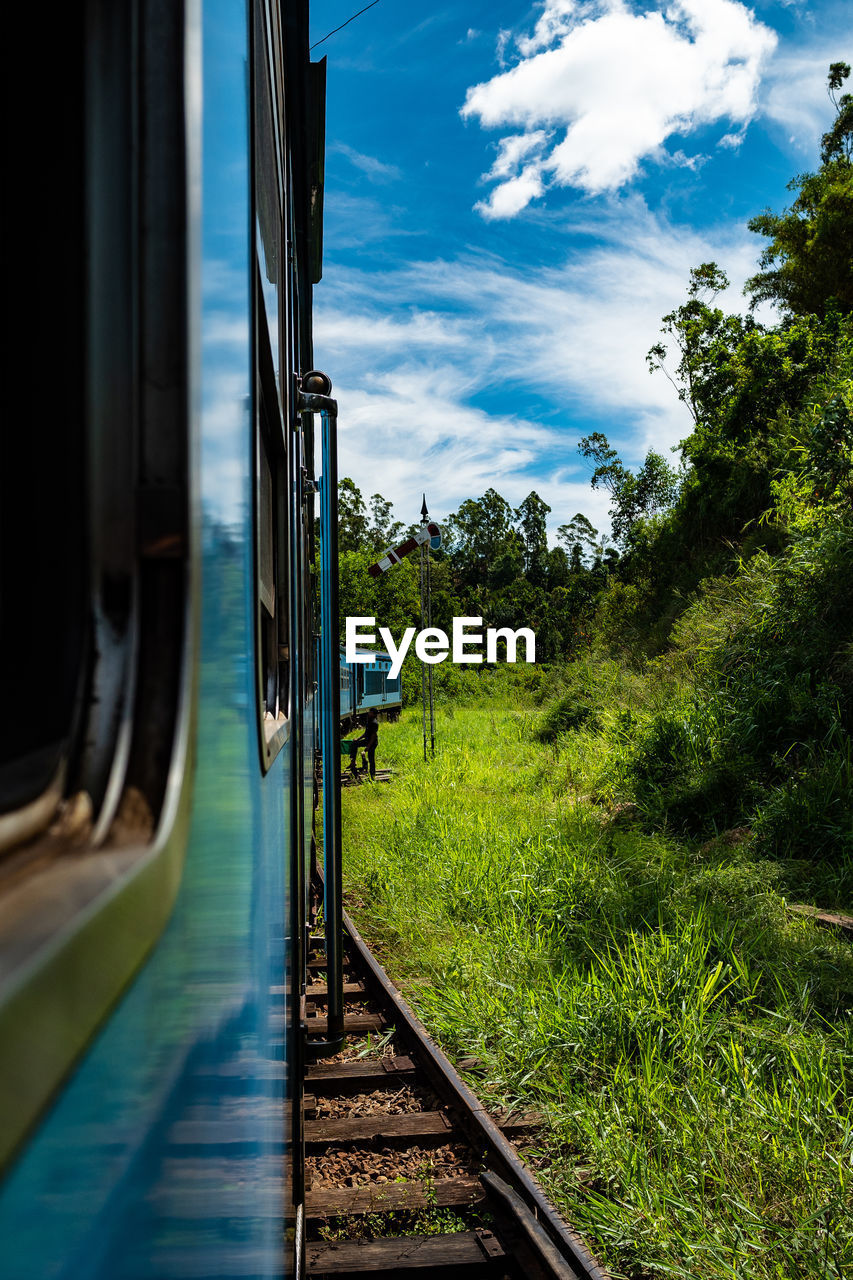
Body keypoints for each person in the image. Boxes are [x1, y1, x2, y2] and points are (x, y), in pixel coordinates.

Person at [351, 710, 379, 779]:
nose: (368, 713)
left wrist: (368, 746)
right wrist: (358, 739)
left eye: (370, 712)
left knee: (371, 759)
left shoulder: (374, 723)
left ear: (373, 714)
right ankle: (353, 761)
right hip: (367, 740)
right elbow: (366, 733)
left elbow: (373, 736)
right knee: (355, 744)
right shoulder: (369, 721)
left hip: (372, 743)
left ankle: (372, 775)